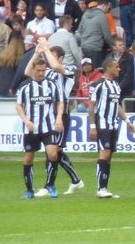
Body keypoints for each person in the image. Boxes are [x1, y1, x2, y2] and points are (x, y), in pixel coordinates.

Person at [27, 41, 84, 196]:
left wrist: (46, 48)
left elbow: (57, 67)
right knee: (54, 151)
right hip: (47, 115)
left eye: (51, 55)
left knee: (53, 151)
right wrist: (38, 53)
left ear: (60, 58)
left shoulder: (67, 70)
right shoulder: (47, 72)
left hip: (61, 115)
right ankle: (75, 180)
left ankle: (49, 186)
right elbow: (29, 72)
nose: (48, 58)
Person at [15, 56, 64, 199]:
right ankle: (29, 190)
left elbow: (61, 102)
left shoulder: (52, 84)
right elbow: (18, 105)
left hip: (48, 126)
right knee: (29, 158)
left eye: (43, 70)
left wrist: (59, 118)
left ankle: (50, 185)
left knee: (53, 154)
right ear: (33, 70)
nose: (41, 73)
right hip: (31, 128)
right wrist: (26, 121)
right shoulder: (25, 86)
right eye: (38, 70)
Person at [89, 58, 135, 199]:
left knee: (109, 156)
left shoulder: (116, 85)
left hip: (114, 125)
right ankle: (100, 188)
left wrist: (127, 121)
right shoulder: (98, 85)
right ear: (108, 68)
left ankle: (105, 188)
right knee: (104, 154)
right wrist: (93, 126)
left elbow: (117, 106)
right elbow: (91, 106)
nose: (119, 69)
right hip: (102, 124)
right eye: (117, 67)